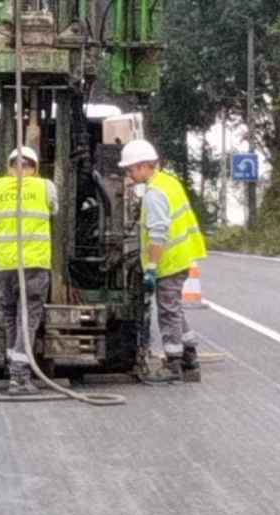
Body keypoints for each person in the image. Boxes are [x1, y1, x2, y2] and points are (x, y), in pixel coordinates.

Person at [118, 139, 208, 384]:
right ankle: (190, 355)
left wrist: (150, 268)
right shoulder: (168, 182)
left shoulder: (154, 194)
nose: (129, 174)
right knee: (175, 308)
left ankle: (174, 363)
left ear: (143, 166)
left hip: (169, 261)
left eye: (130, 169)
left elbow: (158, 234)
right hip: (182, 256)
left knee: (167, 312)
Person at [0, 146, 57, 395]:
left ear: (8, 167)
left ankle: (12, 370)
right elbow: (56, 209)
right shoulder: (45, 187)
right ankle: (19, 377)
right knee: (27, 319)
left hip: (5, 265)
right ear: (36, 168)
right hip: (33, 264)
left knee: (10, 317)